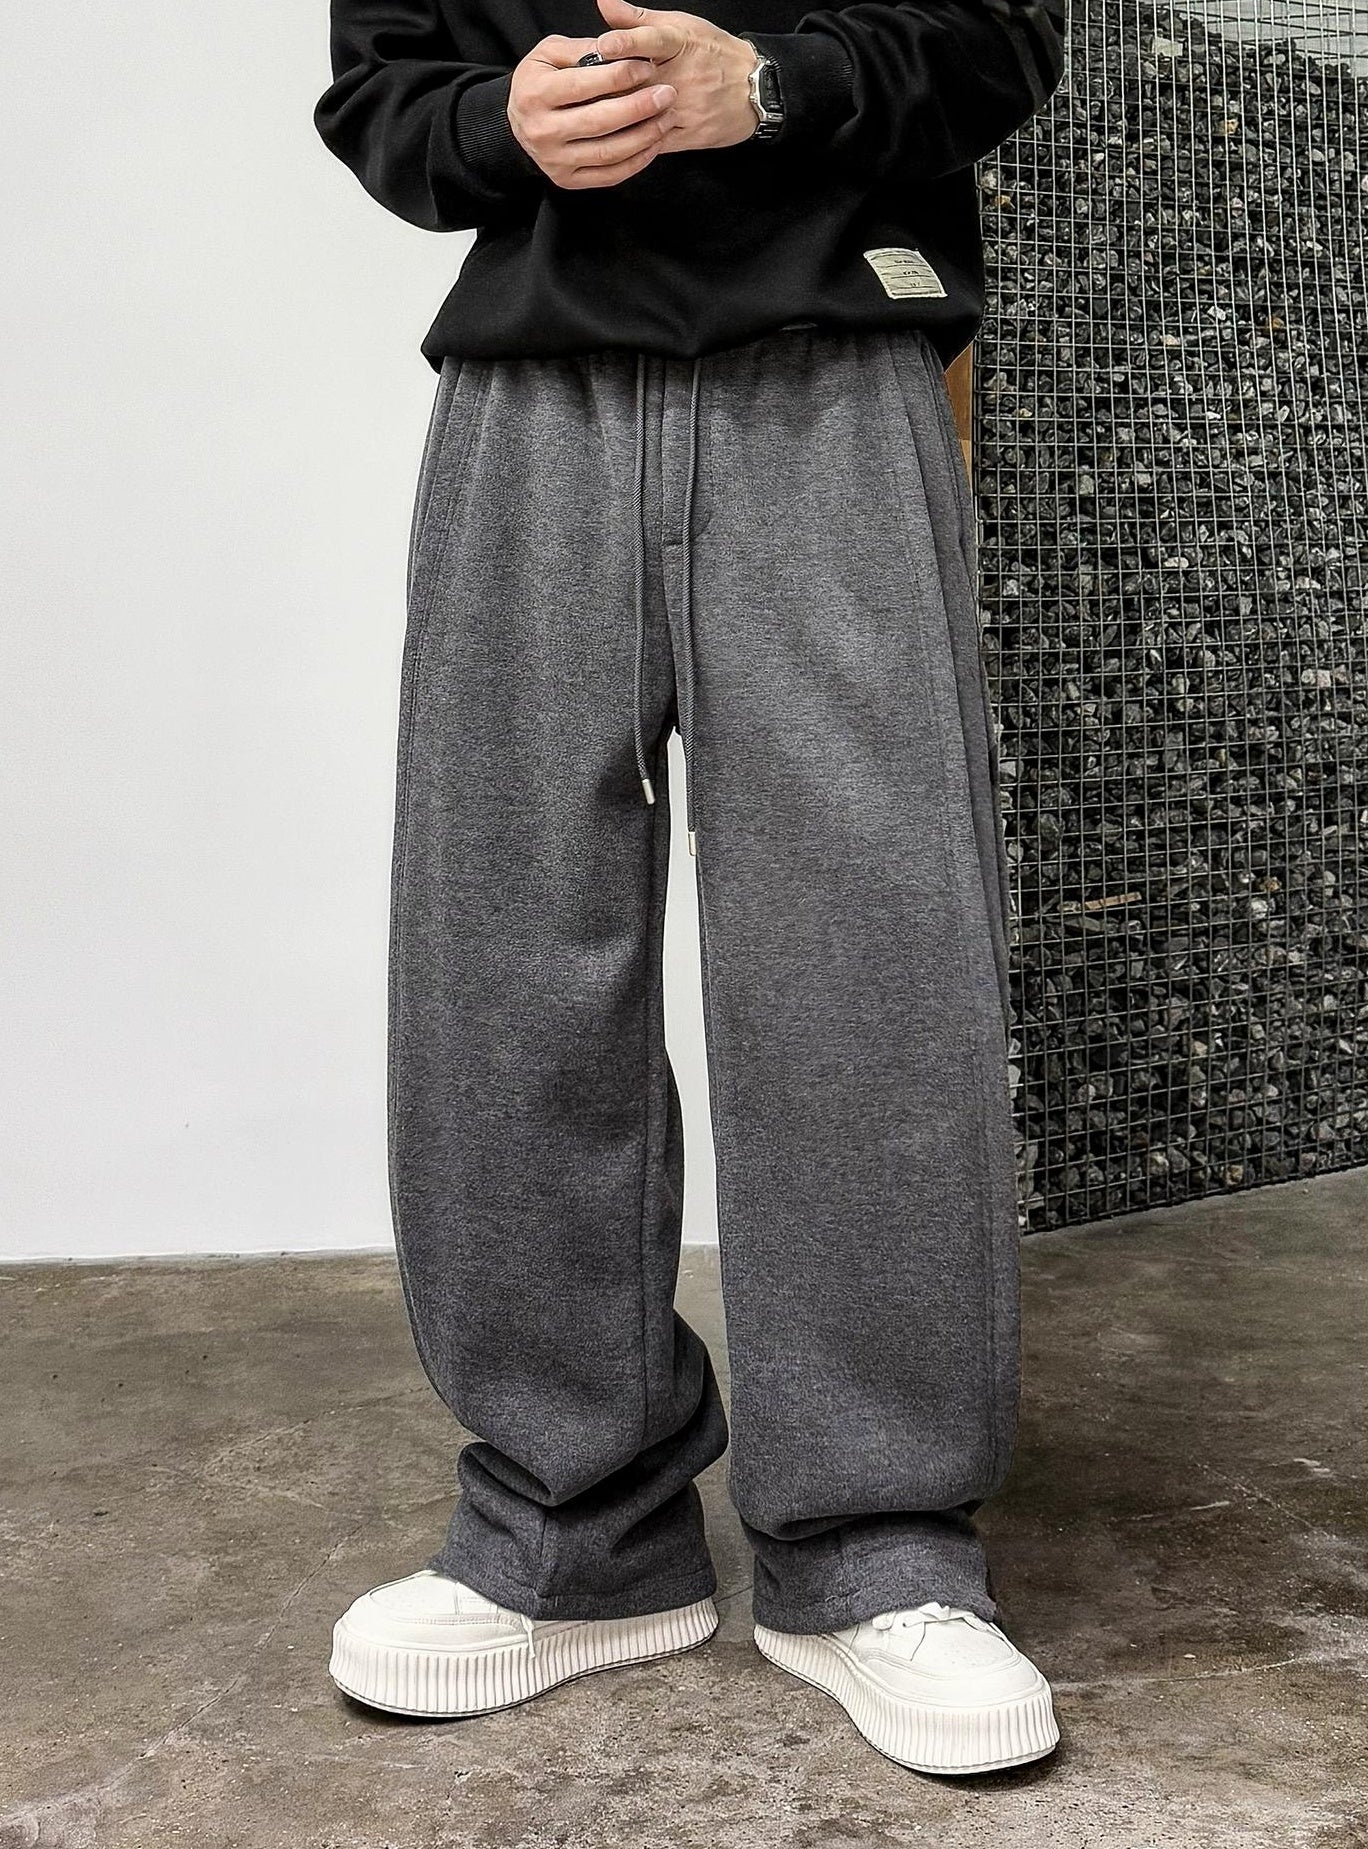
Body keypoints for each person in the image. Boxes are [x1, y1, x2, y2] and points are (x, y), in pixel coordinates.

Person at [313, 0, 1067, 1777]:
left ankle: (876, 1544)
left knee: (868, 959)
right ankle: (569, 1529)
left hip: (833, 373)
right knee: (503, 954)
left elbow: (1004, 36)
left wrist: (778, 85)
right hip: (532, 391)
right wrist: (495, 125)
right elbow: (380, 91)